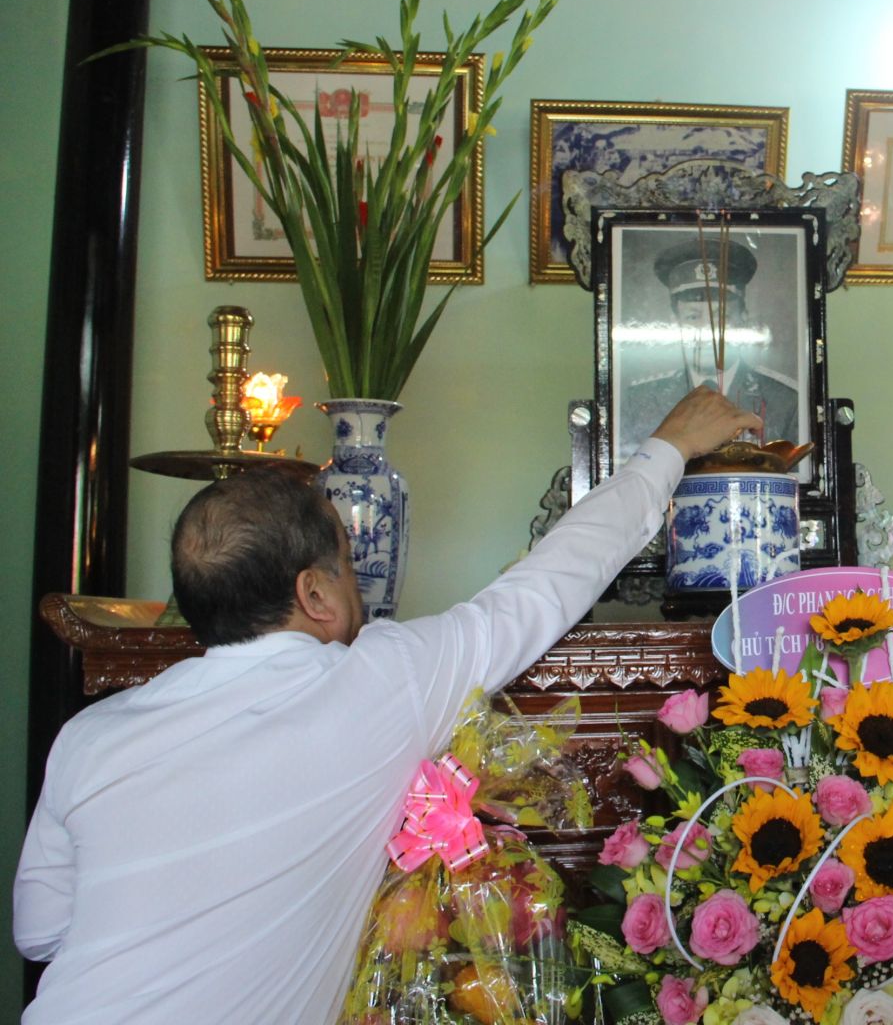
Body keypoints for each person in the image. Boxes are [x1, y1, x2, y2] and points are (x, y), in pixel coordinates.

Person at [13, 387, 760, 1024]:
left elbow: (39, 931)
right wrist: (668, 448)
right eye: (347, 564)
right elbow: (544, 588)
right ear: (314, 593)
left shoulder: (90, 735)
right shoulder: (376, 684)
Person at [618, 238, 800, 463]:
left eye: (720, 317)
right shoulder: (640, 401)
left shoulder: (785, 402)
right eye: (693, 317)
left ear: (743, 318)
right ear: (674, 321)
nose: (706, 332)